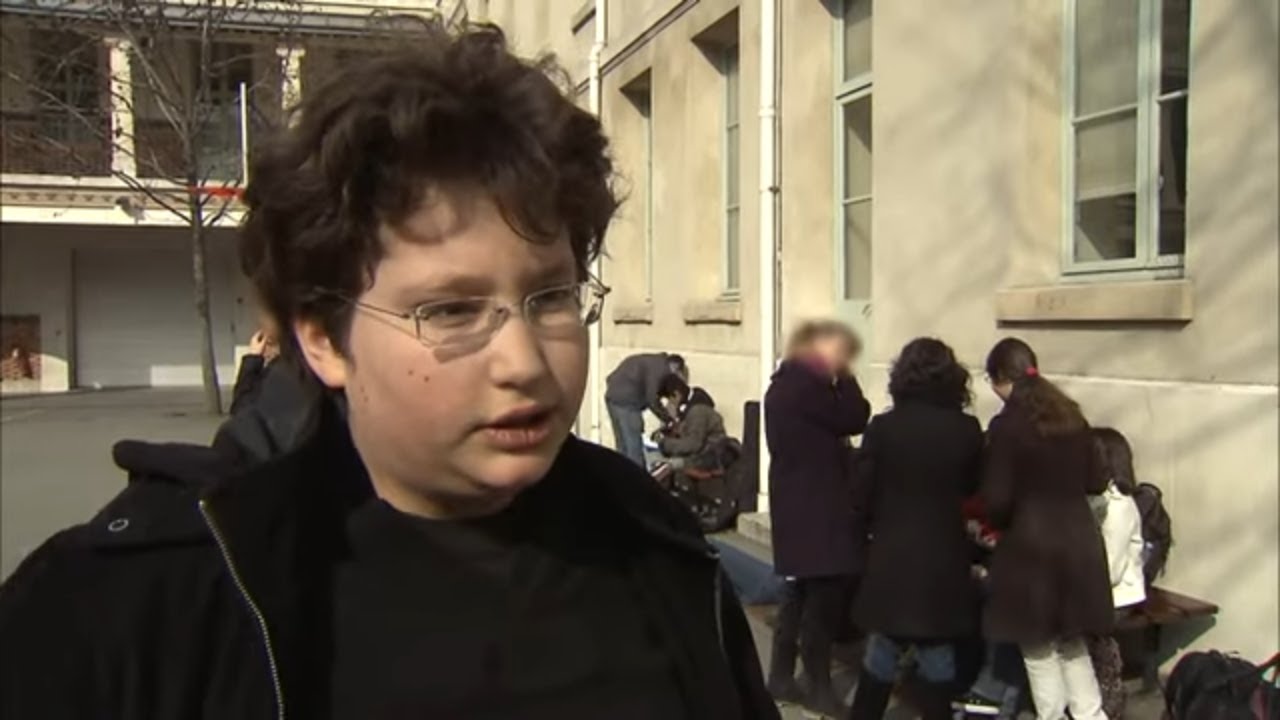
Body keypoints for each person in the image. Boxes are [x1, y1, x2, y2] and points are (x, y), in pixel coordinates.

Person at [0, 24, 779, 720]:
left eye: (550, 297)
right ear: (322, 340)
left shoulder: (660, 548)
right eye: (448, 311)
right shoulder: (141, 600)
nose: (524, 362)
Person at [847, 338, 984, 720]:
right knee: (938, 658)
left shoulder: (884, 428)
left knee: (881, 655)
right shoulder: (967, 430)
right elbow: (974, 489)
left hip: (893, 556)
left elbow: (861, 495)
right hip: (943, 558)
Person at [980, 338, 1112, 720]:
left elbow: (997, 500)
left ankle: (1051, 716)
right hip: (1078, 544)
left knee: (1038, 651)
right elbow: (1096, 480)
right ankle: (1091, 715)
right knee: (1072, 646)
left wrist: (994, 525)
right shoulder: (1071, 415)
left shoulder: (1007, 427)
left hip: (1031, 551)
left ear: (1003, 378)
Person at [764, 319, 871, 718]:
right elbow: (856, 416)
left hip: (794, 504)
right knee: (821, 600)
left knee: (796, 592)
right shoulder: (810, 389)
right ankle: (818, 684)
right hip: (818, 506)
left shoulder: (782, 385)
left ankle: (780, 675)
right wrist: (845, 378)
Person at [1086, 426, 1147, 719]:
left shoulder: (1119, 507)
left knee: (1088, 638)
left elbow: (1111, 568)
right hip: (1096, 589)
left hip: (1117, 595)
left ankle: (1108, 702)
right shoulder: (1098, 500)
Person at [605, 352, 688, 467]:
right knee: (634, 446)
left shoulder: (653, 362)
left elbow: (610, 378)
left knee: (622, 445)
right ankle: (637, 480)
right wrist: (667, 418)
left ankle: (621, 478)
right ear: (675, 367)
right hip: (627, 401)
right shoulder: (660, 368)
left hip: (613, 396)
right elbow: (651, 398)